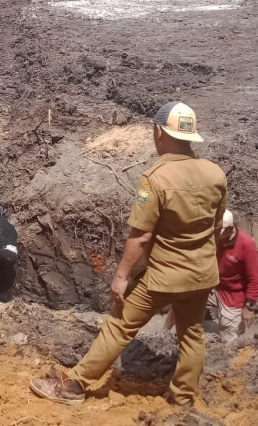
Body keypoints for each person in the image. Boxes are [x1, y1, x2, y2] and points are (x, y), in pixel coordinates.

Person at [30, 102, 227, 407]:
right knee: (192, 335)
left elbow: (141, 236)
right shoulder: (215, 173)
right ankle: (183, 398)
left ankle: (75, 385)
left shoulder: (155, 178)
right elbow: (216, 229)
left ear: (158, 132)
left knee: (119, 325)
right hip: (202, 274)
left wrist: (121, 277)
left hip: (163, 276)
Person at [165, 209, 258, 341]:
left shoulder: (246, 245)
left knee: (229, 339)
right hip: (212, 282)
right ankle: (164, 332)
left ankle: (232, 331)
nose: (215, 235)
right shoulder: (213, 236)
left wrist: (249, 308)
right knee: (182, 298)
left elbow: (255, 279)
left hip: (233, 294)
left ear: (230, 229)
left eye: (218, 233)